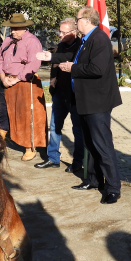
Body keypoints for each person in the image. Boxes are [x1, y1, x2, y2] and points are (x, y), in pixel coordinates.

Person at [36, 6, 123, 204]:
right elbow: (71, 56)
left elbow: (97, 68)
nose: (76, 23)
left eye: (77, 20)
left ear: (87, 20)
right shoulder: (85, 40)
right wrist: (50, 57)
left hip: (97, 102)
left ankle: (112, 188)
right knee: (90, 143)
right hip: (84, 100)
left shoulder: (99, 39)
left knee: (102, 145)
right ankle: (92, 179)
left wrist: (72, 68)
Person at [35, 17, 86, 171]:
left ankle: (78, 162)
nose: (60, 35)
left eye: (64, 32)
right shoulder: (59, 47)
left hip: (75, 95)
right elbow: (55, 68)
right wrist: (53, 87)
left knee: (77, 130)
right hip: (59, 94)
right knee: (55, 126)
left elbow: (70, 59)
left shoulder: (81, 47)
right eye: (60, 32)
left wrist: (50, 57)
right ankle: (53, 158)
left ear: (74, 32)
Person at [0, 13, 47, 161]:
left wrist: (17, 79)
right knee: (4, 112)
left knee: (24, 115)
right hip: (5, 80)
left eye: (16, 28)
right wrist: (3, 77)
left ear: (25, 27)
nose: (13, 31)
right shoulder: (7, 40)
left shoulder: (32, 42)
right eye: (12, 28)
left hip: (23, 83)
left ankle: (29, 147)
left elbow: (33, 64)